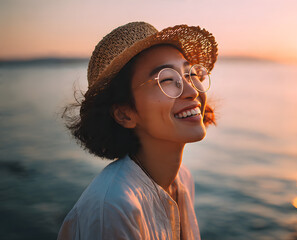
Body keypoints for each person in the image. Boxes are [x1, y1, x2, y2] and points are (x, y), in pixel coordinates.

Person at [57, 21, 218, 240]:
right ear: (125, 114)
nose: (191, 90)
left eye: (190, 74)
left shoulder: (182, 178)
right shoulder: (113, 207)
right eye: (167, 80)